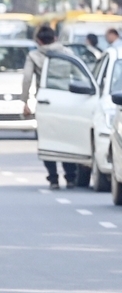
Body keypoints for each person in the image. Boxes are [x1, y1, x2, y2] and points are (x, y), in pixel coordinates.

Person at [19, 26, 77, 189]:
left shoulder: (34, 55)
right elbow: (80, 76)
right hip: (67, 103)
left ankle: (53, 179)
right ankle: (71, 177)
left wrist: (25, 102)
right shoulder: (68, 54)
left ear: (38, 41)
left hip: (45, 102)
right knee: (67, 140)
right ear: (55, 38)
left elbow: (27, 79)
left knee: (46, 141)